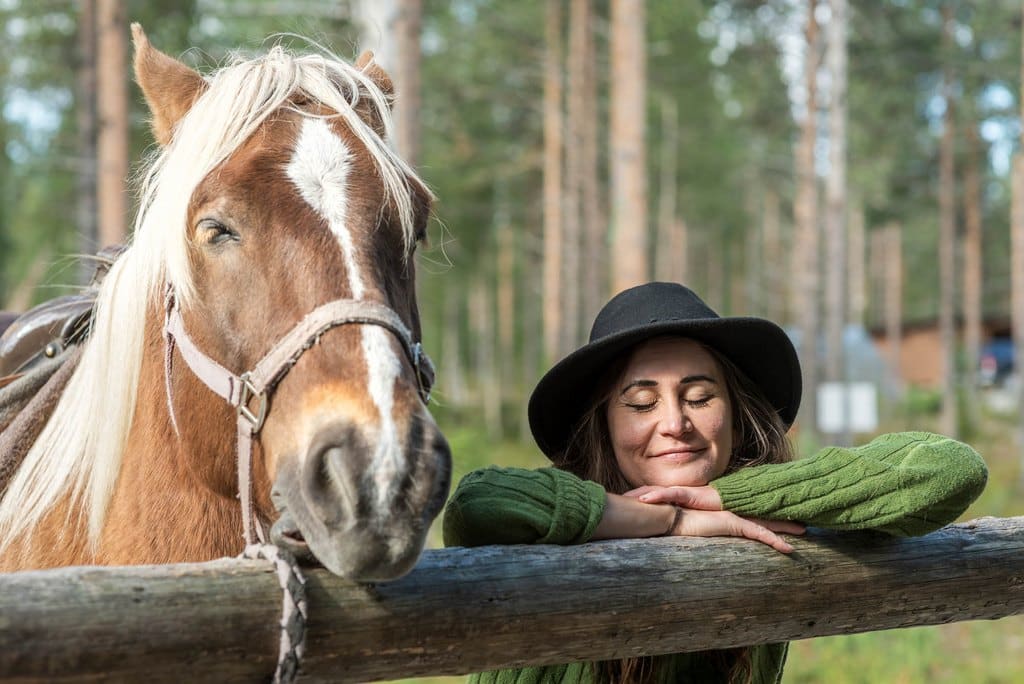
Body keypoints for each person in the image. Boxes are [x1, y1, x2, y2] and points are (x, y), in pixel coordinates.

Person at [443, 281, 988, 684]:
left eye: (700, 397)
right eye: (641, 403)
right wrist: (673, 519)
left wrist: (727, 498)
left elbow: (948, 468)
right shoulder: (561, 512)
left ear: (736, 417)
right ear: (604, 426)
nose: (675, 423)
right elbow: (474, 504)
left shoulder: (774, 513)